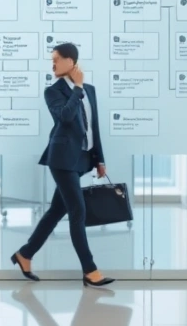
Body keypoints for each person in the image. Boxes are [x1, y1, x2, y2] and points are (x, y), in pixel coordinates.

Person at [11, 42, 114, 288]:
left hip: (81, 159)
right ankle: (90, 270)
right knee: (78, 212)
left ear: (71, 61)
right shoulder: (54, 91)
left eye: (56, 59)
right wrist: (76, 88)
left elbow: (94, 126)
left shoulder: (90, 90)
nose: (52, 63)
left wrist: (99, 159)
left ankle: (25, 254)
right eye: (52, 59)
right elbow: (65, 117)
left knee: (57, 211)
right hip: (61, 159)